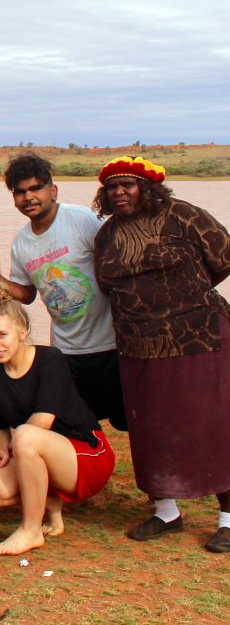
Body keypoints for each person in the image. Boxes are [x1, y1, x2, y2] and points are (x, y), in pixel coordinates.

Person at [92, 156, 230, 552]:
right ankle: (166, 511)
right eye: (112, 187)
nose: (119, 193)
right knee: (151, 427)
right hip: (138, 345)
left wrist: (184, 295)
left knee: (214, 424)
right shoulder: (107, 236)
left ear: (147, 188)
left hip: (199, 336)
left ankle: (227, 517)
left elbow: (222, 259)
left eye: (128, 185)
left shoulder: (185, 216)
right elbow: (106, 285)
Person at [0, 152, 126, 430]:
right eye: (19, 192)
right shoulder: (22, 243)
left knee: (128, 419)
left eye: (35, 188)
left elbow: (119, 258)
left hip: (111, 343)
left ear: (52, 190)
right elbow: (27, 294)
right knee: (76, 423)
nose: (28, 197)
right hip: (67, 350)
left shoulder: (81, 220)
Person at [0, 285, 114, 556]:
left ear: (23, 332)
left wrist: (14, 450)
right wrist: (2, 452)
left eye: (2, 334)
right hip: (33, 451)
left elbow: (41, 423)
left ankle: (31, 529)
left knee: (27, 434)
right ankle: (50, 501)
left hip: (85, 454)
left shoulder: (50, 359)